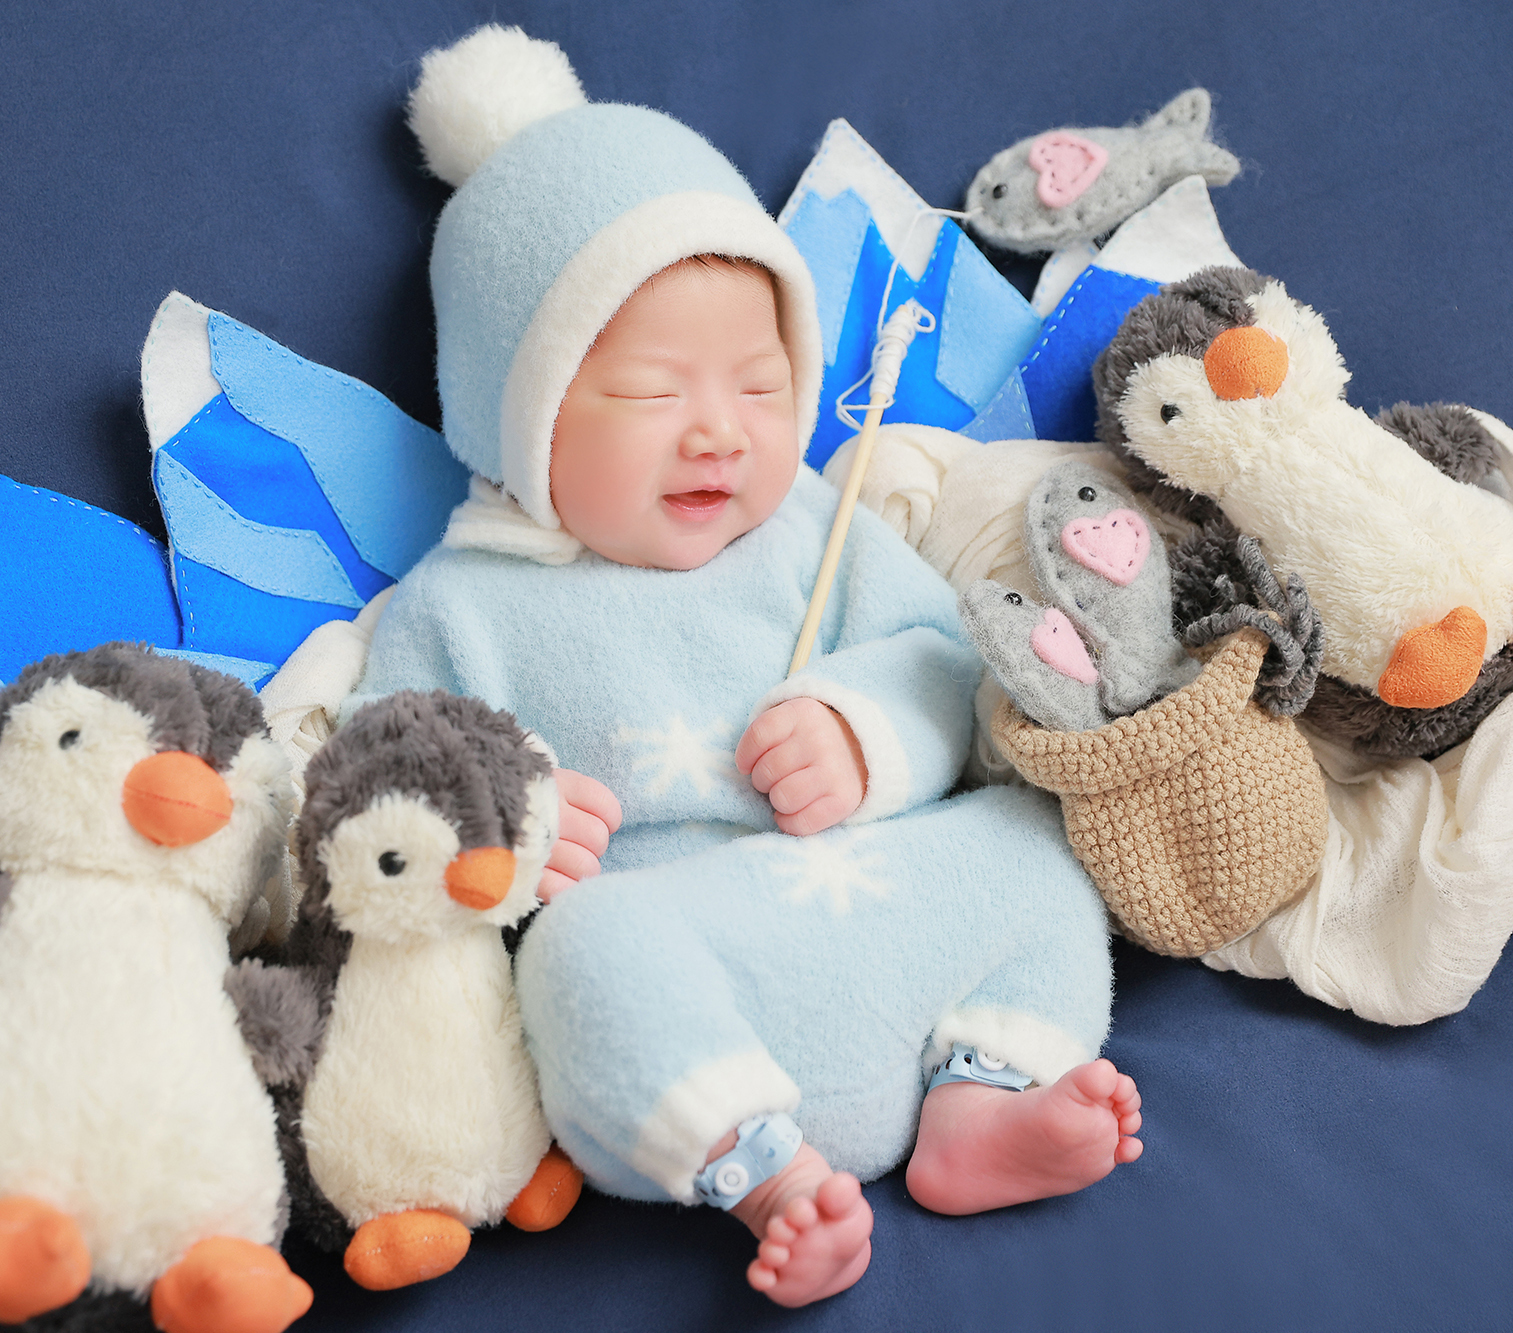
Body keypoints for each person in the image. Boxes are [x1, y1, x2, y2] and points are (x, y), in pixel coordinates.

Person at [349, 25, 1141, 1307]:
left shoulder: (811, 532)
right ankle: (767, 1177)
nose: (720, 433)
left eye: (761, 387)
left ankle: (981, 1097)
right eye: (652, 393)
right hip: (686, 984)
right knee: (579, 952)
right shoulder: (463, 604)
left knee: (1033, 835)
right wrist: (509, 829)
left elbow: (947, 663)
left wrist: (861, 730)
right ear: (516, 410)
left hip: (875, 916)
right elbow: (381, 787)